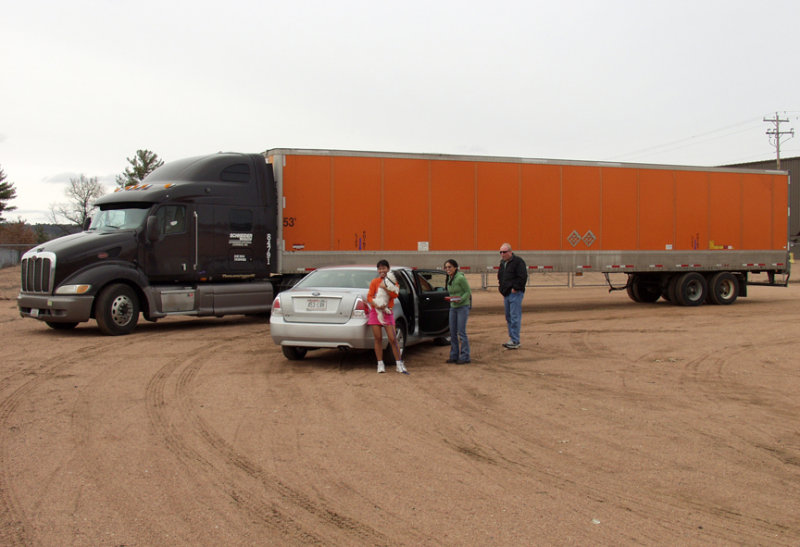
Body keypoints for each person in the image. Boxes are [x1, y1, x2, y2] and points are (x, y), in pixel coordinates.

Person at [367, 259, 408, 374]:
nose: (382, 270)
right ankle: (380, 364)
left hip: (388, 312)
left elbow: (395, 294)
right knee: (378, 338)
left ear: (388, 269)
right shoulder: (374, 282)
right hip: (376, 312)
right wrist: (375, 305)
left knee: (392, 338)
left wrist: (385, 287)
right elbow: (370, 296)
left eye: (384, 268)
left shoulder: (393, 282)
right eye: (379, 268)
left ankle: (399, 363)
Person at [497, 243, 527, 349]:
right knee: (508, 317)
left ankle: (515, 340)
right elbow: (500, 276)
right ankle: (512, 338)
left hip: (515, 294)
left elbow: (522, 277)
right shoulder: (502, 263)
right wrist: (501, 288)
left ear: (510, 252)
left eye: (504, 252)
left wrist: (516, 288)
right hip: (506, 293)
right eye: (500, 252)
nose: (502, 254)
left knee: (515, 317)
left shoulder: (518, 262)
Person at [444, 259, 471, 364]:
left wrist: (461, 299)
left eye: (449, 267)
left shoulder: (460, 278)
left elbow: (468, 292)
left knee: (461, 332)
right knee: (453, 332)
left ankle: (465, 356)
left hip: (462, 307)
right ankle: (454, 355)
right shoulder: (449, 278)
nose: (447, 269)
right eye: (446, 267)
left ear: (455, 267)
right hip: (453, 306)